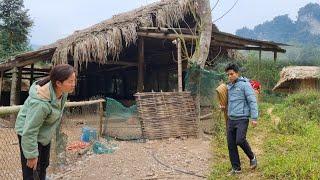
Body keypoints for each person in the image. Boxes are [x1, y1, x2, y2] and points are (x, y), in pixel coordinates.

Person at [15, 64, 76, 180]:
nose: (74, 84)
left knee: (43, 164)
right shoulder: (40, 103)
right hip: (28, 133)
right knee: (31, 170)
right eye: (70, 81)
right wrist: (31, 155)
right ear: (58, 83)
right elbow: (30, 130)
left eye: (74, 80)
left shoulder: (62, 93)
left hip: (44, 132)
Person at [221, 63, 258, 175]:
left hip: (242, 118)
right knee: (231, 144)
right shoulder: (229, 87)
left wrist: (254, 117)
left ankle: (252, 157)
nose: (229, 76)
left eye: (231, 74)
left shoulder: (245, 85)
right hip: (231, 119)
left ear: (237, 73)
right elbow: (227, 101)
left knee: (240, 140)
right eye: (228, 75)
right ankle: (236, 168)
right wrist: (223, 106)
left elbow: (252, 101)